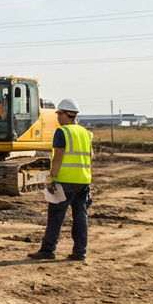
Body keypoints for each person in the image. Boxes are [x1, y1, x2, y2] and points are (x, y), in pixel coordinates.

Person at [30, 98, 93, 262]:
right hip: (83, 181)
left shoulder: (62, 132)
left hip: (64, 181)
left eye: (59, 114)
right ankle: (80, 252)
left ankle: (47, 250)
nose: (57, 117)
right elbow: (90, 156)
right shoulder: (85, 133)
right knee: (80, 216)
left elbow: (57, 157)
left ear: (66, 115)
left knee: (55, 216)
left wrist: (52, 178)